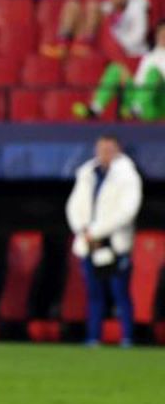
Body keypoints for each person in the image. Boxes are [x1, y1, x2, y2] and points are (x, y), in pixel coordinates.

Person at [66, 134, 142, 347]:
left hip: (115, 243)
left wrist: (97, 231)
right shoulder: (87, 173)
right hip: (90, 243)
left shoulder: (128, 176)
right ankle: (93, 337)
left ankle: (127, 338)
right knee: (94, 293)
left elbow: (127, 211)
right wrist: (83, 231)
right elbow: (75, 206)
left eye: (109, 149)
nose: (104, 154)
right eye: (101, 149)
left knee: (120, 293)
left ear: (118, 150)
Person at [74, 21, 165, 120]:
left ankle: (136, 109)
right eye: (160, 33)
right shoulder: (148, 55)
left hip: (158, 102)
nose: (162, 36)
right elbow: (141, 80)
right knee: (116, 68)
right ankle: (95, 109)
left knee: (154, 73)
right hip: (138, 95)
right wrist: (127, 77)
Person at [41, 0, 150, 59]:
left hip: (127, 50)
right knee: (73, 4)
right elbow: (98, 10)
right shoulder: (109, 7)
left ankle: (84, 44)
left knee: (93, 5)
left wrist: (119, 44)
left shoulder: (137, 7)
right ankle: (64, 44)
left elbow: (139, 36)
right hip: (102, 43)